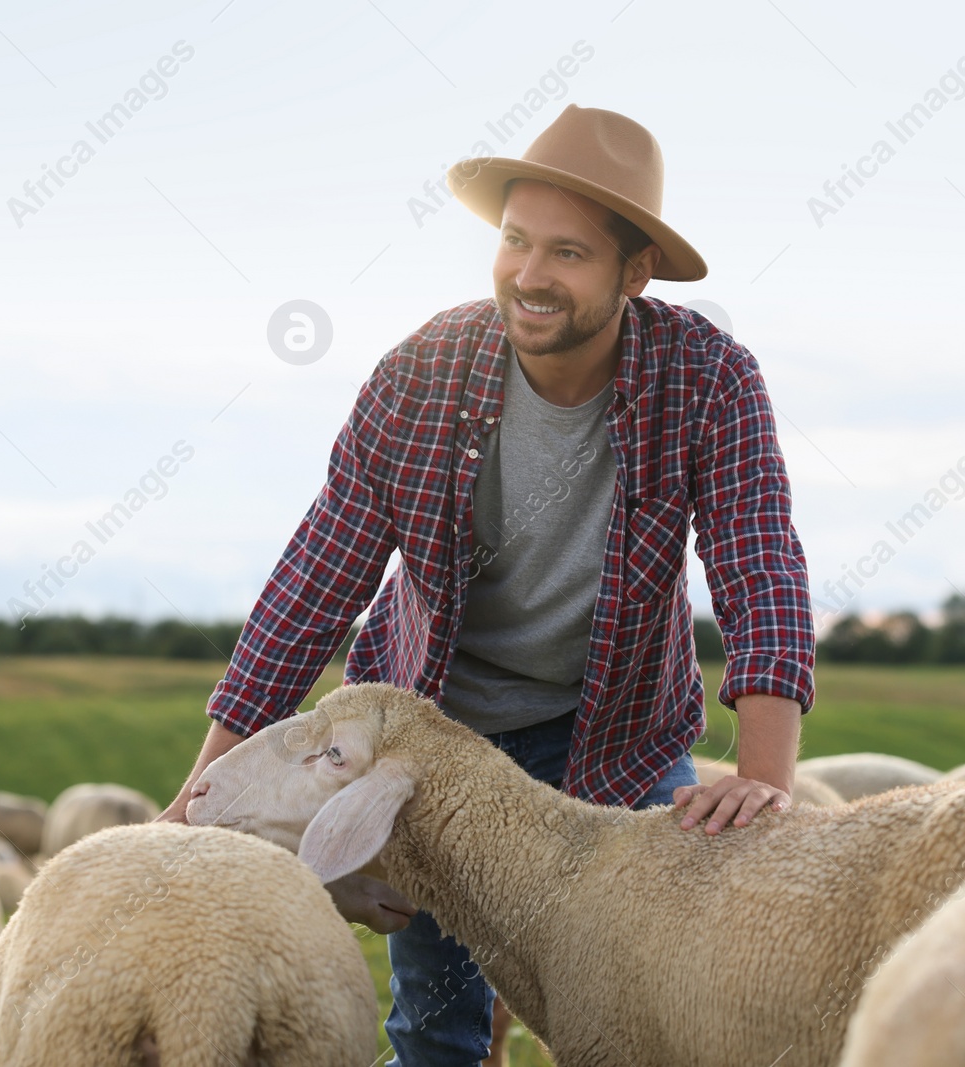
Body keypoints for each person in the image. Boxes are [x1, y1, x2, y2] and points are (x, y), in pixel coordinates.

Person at [158, 104, 816, 1066]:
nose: (530, 275)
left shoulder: (708, 380)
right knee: (437, 1029)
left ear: (634, 273)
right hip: (435, 749)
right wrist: (194, 800)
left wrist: (763, 778)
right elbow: (316, 577)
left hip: (621, 741)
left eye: (568, 253)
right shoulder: (423, 371)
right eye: (514, 241)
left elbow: (760, 565)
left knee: (653, 1014)